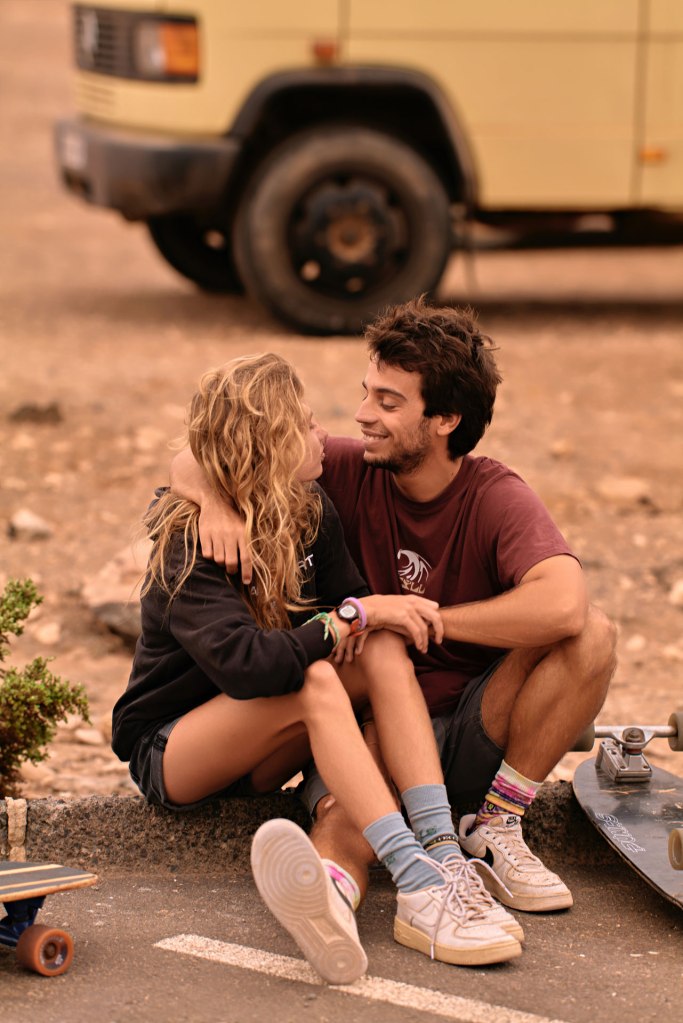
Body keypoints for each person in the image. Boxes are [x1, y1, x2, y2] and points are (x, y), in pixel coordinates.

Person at [171, 299, 617, 931]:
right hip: (371, 718)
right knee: (346, 815)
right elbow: (214, 453)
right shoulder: (347, 466)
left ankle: (494, 826)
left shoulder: (494, 495)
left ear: (444, 419)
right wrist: (215, 501)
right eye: (366, 393)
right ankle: (327, 910)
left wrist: (425, 618)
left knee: (592, 634)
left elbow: (564, 602)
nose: (362, 415)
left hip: (470, 727)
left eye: (388, 402)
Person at [112, 352, 524, 986]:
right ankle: (413, 878)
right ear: (273, 444)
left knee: (381, 644)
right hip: (175, 750)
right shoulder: (190, 542)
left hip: (263, 744)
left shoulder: (308, 510)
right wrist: (347, 619)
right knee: (321, 671)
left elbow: (349, 607)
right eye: (304, 426)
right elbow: (249, 666)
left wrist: (358, 617)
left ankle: (441, 856)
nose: (320, 436)